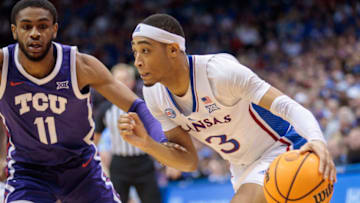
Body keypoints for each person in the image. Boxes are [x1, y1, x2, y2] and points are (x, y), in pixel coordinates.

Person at [118, 13, 337, 203]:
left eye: (145, 51)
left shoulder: (219, 74)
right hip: (239, 167)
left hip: (281, 149)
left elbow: (288, 107)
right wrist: (147, 143)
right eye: (135, 52)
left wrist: (317, 139)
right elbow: (188, 161)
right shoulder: (154, 94)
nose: (137, 61)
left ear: (173, 50)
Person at [0, 1, 167, 202]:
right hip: (29, 172)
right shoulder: (4, 66)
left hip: (81, 170)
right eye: (26, 26)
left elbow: (136, 105)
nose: (34, 33)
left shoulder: (79, 65)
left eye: (42, 26)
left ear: (54, 30)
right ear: (14, 31)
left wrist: (164, 141)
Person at [94, 63, 162, 203]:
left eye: (125, 79)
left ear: (132, 82)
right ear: (112, 82)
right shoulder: (105, 108)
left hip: (144, 162)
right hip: (119, 164)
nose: (122, 83)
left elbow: (157, 132)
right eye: (118, 79)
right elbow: (95, 139)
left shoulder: (144, 106)